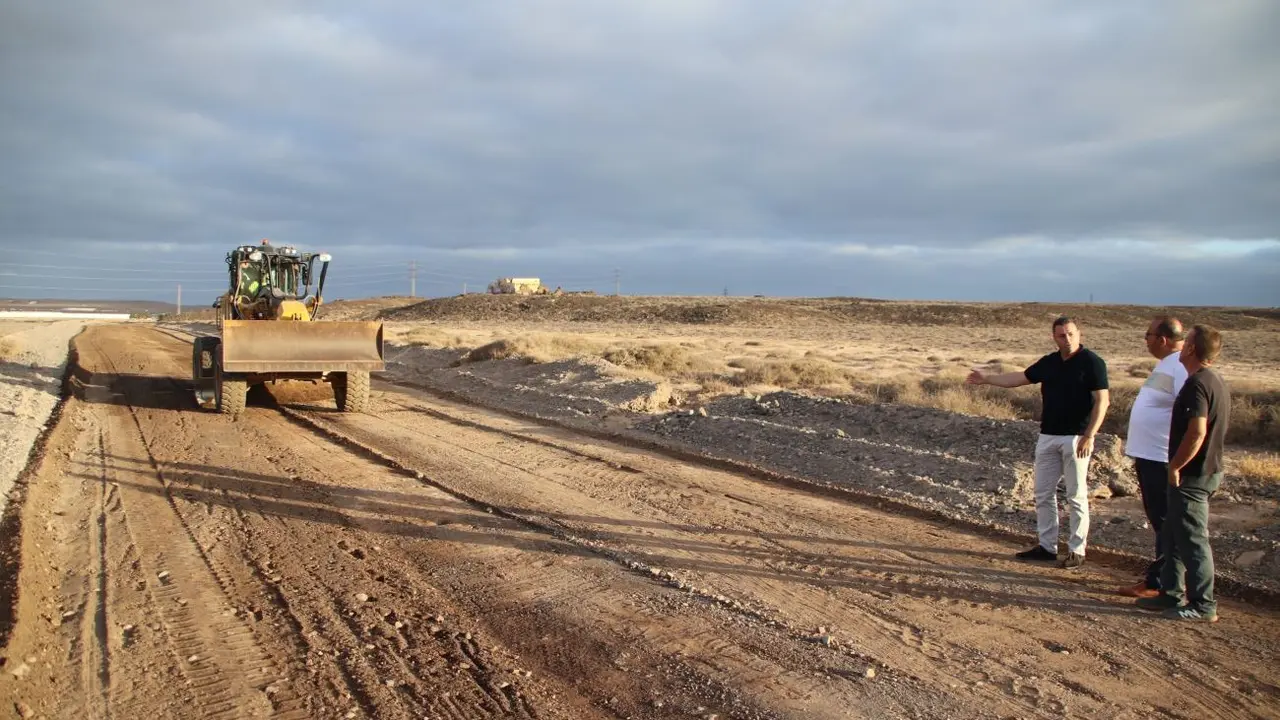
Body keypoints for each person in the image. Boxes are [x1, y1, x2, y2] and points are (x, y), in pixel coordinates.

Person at [967, 316, 1110, 569]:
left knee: (1076, 496)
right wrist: (987, 378)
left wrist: (1090, 435)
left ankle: (1077, 550)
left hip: (1077, 438)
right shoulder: (1050, 362)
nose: (1067, 339)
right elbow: (1020, 378)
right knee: (1043, 494)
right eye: (1061, 335)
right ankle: (1047, 547)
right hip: (1048, 436)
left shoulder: (1092, 363)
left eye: (1070, 334)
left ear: (1080, 334)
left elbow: (1102, 401)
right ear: (1053, 337)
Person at [1136, 325, 1230, 622]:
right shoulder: (1213, 380)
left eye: (1185, 340)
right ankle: (1170, 593)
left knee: (1192, 539)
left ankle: (1203, 605)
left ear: (1191, 349)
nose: (1181, 344)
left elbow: (1197, 431)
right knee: (1174, 534)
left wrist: (1176, 465)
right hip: (1200, 472)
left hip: (1193, 475)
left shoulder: (1197, 384)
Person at [1118, 316, 1188, 598]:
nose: (1145, 340)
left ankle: (1163, 583)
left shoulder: (1181, 366)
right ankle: (1160, 580)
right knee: (1160, 519)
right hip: (1150, 455)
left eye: (1147, 335)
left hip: (1162, 458)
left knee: (1166, 521)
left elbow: (1191, 412)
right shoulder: (1168, 364)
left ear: (1162, 339)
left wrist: (1179, 459)